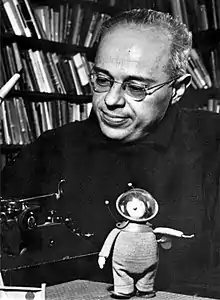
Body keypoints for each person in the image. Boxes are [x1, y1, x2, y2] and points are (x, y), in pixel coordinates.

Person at [1, 8, 220, 297]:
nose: (111, 101)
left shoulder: (213, 143)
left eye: (136, 87)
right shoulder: (53, 146)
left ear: (178, 88)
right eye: (102, 80)